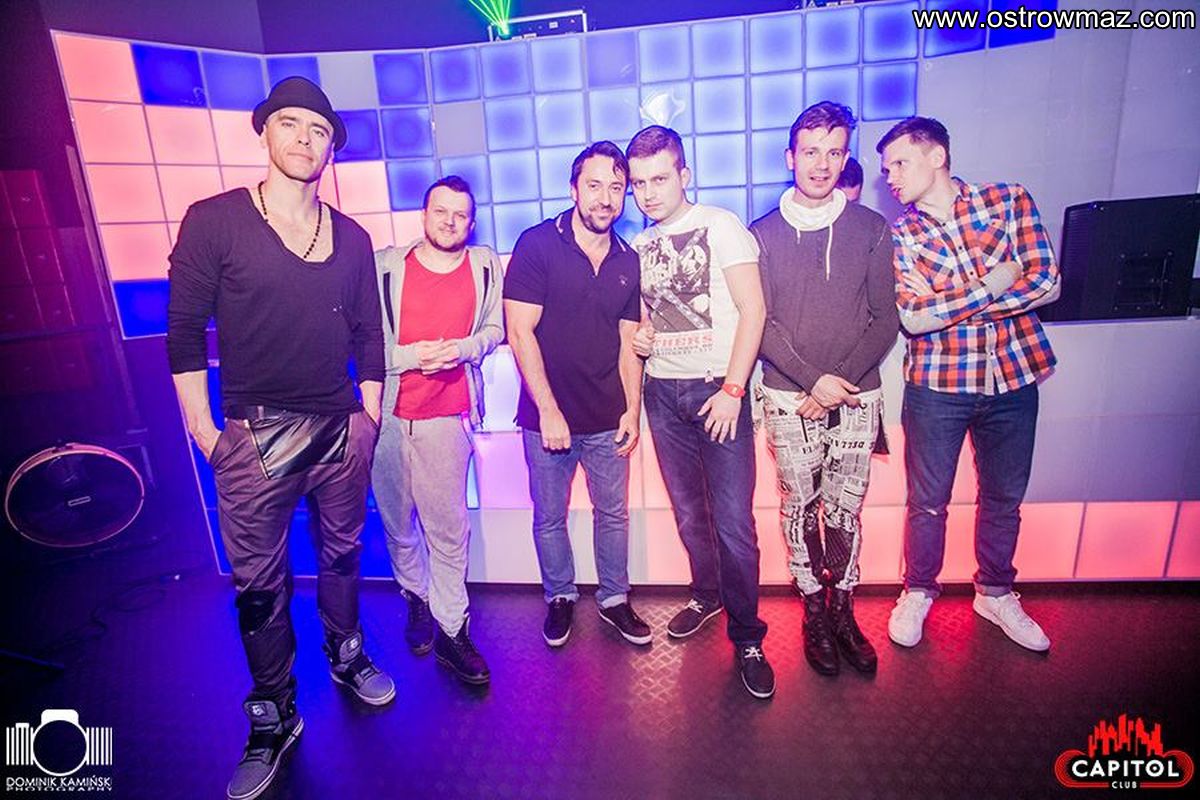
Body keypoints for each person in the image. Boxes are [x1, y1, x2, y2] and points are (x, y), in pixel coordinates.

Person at [167, 76, 394, 800]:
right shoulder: (215, 221)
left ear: (331, 148)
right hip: (252, 434)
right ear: (265, 131)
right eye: (290, 123)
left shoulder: (352, 236)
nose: (304, 138)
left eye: (318, 130)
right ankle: (275, 715)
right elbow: (183, 332)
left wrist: (368, 415)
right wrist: (203, 429)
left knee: (344, 556)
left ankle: (346, 654)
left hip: (340, 430)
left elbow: (370, 335)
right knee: (259, 588)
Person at [876, 116, 1060, 653]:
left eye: (899, 163)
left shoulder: (1008, 201)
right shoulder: (900, 234)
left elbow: (1047, 281)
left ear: (936, 156)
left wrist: (954, 302)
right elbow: (915, 318)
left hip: (1014, 375)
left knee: (1004, 497)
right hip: (938, 384)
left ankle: (996, 593)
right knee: (927, 502)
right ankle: (918, 590)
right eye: (886, 169)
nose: (890, 177)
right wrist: (997, 279)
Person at [750, 102, 899, 677]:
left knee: (845, 510)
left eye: (834, 152)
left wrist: (833, 385)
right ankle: (813, 609)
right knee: (799, 505)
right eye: (810, 152)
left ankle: (843, 610)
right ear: (790, 157)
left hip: (857, 397)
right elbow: (761, 323)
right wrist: (814, 382)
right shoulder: (761, 234)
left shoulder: (871, 228)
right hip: (788, 397)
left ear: (845, 158)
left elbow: (885, 319)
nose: (822, 163)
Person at [626, 125, 774, 699]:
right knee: (690, 514)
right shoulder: (640, 244)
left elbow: (754, 310)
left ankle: (749, 635)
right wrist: (644, 340)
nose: (648, 193)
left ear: (684, 174)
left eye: (659, 179)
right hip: (663, 393)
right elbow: (649, 319)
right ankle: (706, 596)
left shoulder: (722, 225)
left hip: (718, 390)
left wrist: (734, 389)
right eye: (639, 183)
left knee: (734, 522)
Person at [503, 141, 650, 649]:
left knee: (613, 516)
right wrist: (548, 410)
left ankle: (614, 599)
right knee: (550, 517)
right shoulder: (537, 244)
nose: (605, 198)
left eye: (616, 187)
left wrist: (632, 409)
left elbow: (629, 341)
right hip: (546, 419)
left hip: (608, 417)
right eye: (594, 185)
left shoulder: (629, 259)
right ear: (573, 189)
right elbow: (519, 332)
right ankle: (560, 597)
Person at [371, 176, 503, 686]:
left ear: (471, 222)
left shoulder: (484, 266)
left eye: (460, 215)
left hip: (447, 417)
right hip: (385, 417)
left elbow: (495, 330)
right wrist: (411, 357)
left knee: (449, 532)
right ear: (424, 215)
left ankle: (452, 628)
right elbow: (359, 345)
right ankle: (416, 597)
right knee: (398, 522)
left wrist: (464, 349)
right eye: (440, 211)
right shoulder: (386, 267)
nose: (450, 222)